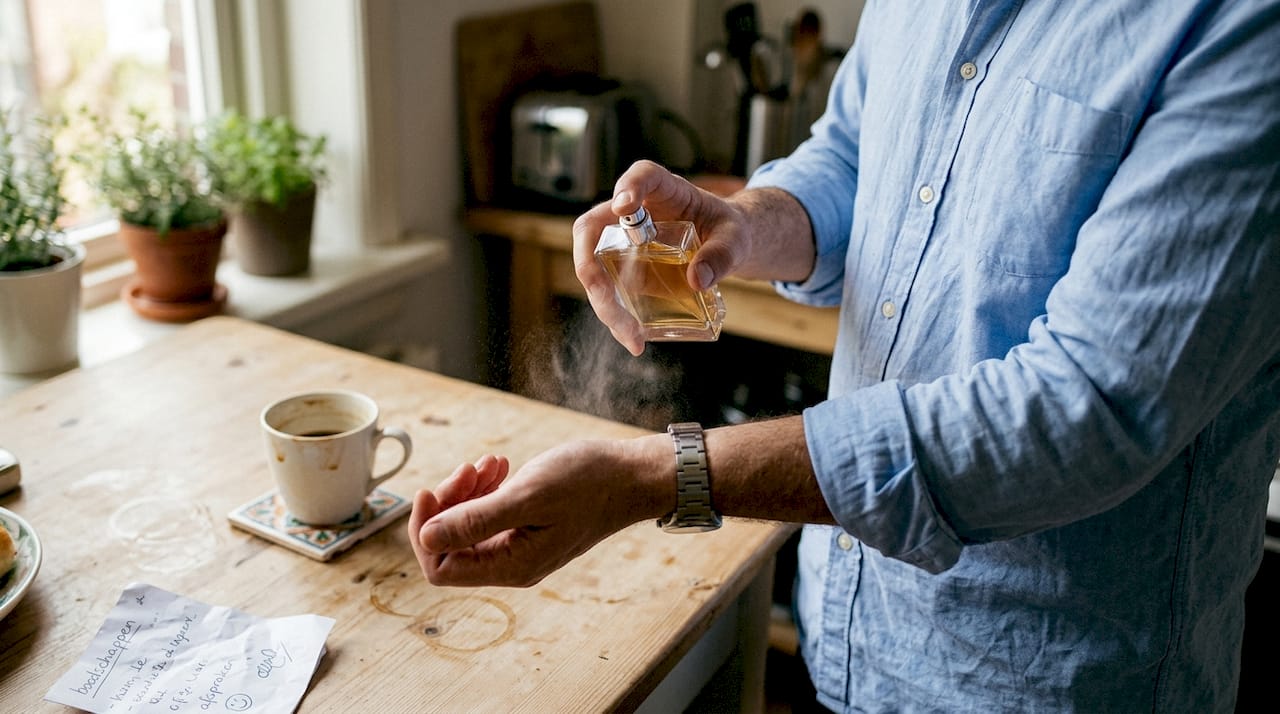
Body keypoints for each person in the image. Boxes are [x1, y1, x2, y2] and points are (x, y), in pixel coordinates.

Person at [409, 1, 1280, 710]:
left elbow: (1082, 411)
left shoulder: (1243, 27)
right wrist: (744, 223)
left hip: (1054, 681)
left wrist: (653, 478)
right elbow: (854, 156)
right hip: (857, 645)